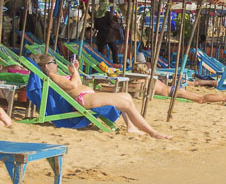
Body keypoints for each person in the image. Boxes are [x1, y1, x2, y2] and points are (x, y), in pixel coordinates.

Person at [34, 53, 171, 138]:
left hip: (86, 95)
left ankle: (131, 127)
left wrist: (75, 70)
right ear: (47, 66)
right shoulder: (53, 76)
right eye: (54, 62)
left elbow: (78, 83)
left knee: (126, 96)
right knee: (125, 103)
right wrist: (74, 73)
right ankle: (153, 132)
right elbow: (72, 86)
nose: (56, 65)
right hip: (84, 99)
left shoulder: (58, 75)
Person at [132, 55, 226, 106]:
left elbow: (132, 91)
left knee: (201, 98)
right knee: (200, 97)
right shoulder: (150, 78)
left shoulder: (140, 83)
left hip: (173, 92)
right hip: (173, 89)